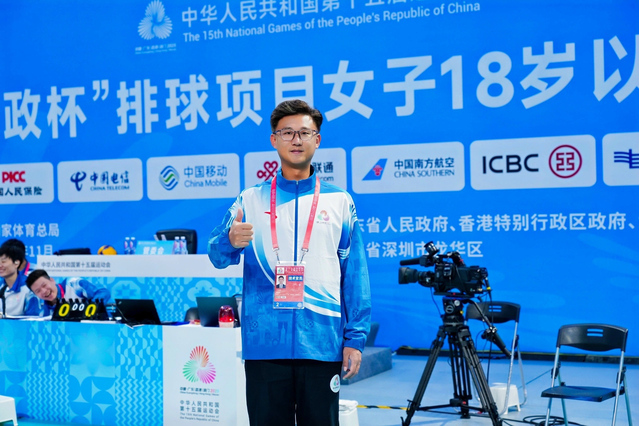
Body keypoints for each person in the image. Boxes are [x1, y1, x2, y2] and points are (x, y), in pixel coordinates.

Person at [208, 99, 371, 426]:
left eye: (304, 133)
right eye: (287, 132)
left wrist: (354, 340)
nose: (296, 140)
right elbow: (216, 256)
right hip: (265, 345)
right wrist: (230, 241)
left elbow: (355, 276)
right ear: (274, 139)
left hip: (322, 343)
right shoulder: (249, 199)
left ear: (317, 140)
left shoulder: (339, 201)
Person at [26, 269, 112, 316]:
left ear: (52, 280)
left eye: (44, 285)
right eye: (38, 291)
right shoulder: (38, 307)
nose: (44, 291)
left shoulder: (73, 284)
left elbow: (103, 292)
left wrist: (90, 310)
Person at [0, 244, 40, 317]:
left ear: (16, 263)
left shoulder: (29, 287)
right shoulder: (1, 286)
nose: (0, 265)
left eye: (3, 262)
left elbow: (32, 320)